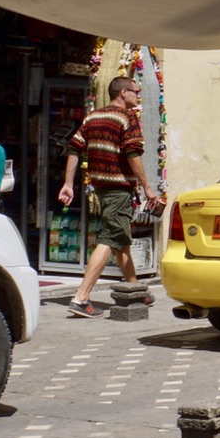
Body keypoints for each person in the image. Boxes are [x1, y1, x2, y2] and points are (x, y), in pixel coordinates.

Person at [57, 77, 162, 318]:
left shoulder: (92, 117)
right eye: (136, 92)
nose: (138, 96)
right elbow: (133, 152)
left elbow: (74, 147)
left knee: (121, 239)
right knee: (110, 238)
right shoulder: (127, 117)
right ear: (123, 93)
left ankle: (136, 290)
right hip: (118, 188)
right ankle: (81, 298)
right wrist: (147, 187)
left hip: (100, 188)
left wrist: (68, 183)